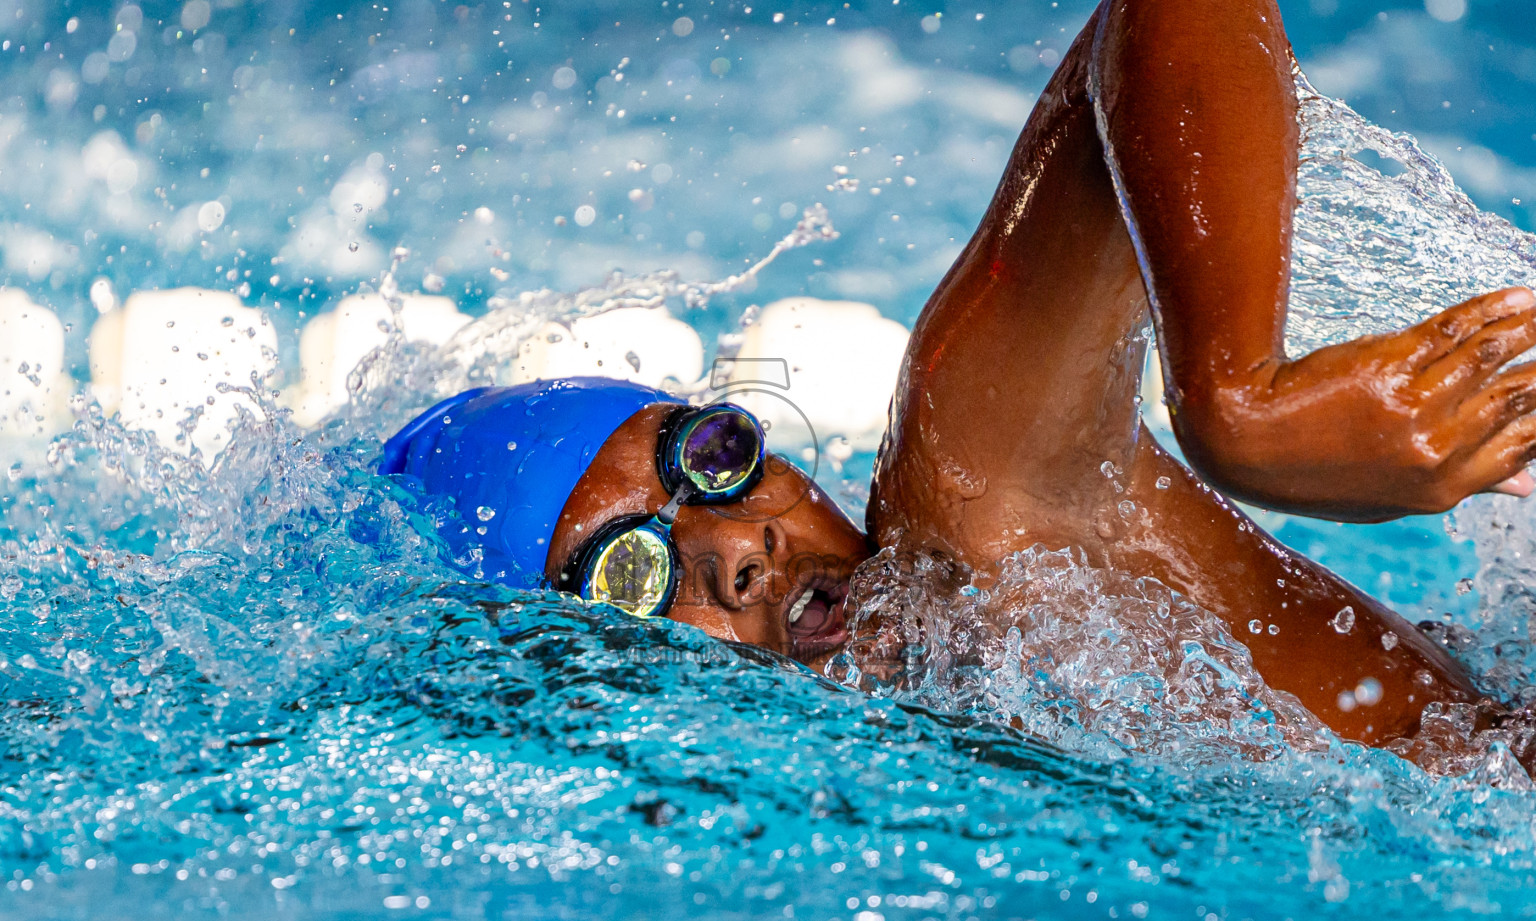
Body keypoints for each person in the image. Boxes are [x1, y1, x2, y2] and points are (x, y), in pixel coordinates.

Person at [381, 0, 1536, 762]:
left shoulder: (971, 512)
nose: (738, 552)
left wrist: (1240, 407)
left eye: (714, 463)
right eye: (630, 573)